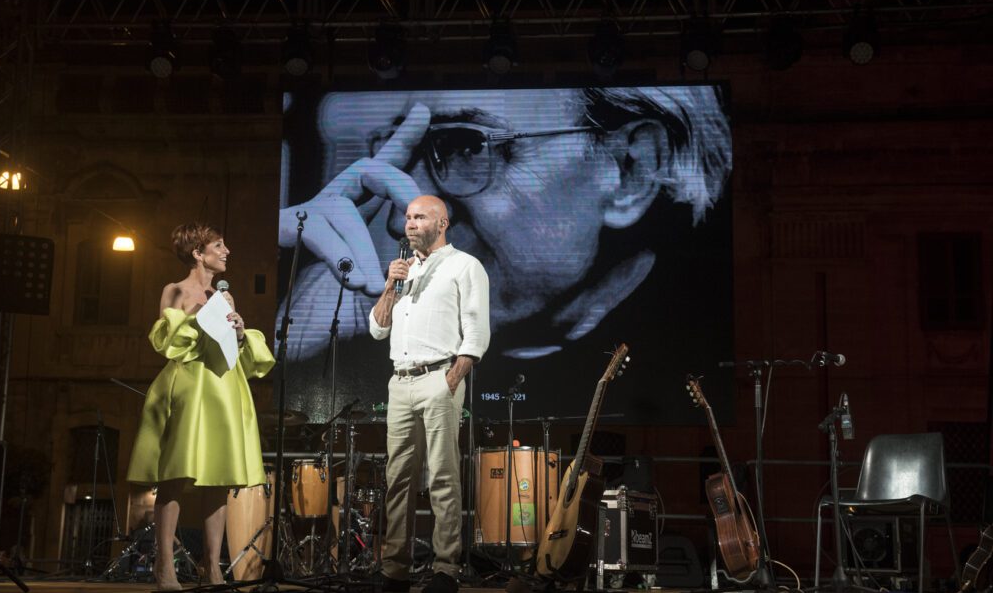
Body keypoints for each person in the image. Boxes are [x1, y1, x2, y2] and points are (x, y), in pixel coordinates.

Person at [276, 86, 733, 424]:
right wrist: (298, 333)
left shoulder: (692, 355)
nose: (401, 222)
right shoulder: (372, 332)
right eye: (401, 154)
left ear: (631, 168)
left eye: (463, 147)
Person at [126, 223, 275, 591]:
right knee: (175, 475)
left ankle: (212, 567)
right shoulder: (175, 290)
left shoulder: (225, 295)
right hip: (189, 384)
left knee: (219, 478)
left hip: (222, 387)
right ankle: (165, 568)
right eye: (219, 246)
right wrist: (199, 319)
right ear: (198, 252)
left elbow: (230, 349)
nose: (227, 252)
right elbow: (166, 341)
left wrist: (238, 332)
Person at [369, 194, 490, 593]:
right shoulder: (403, 273)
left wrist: (452, 379)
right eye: (407, 217)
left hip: (439, 377)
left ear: (442, 224)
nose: (410, 223)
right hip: (399, 382)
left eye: (419, 217)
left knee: (441, 475)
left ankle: (445, 568)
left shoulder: (464, 266)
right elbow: (377, 329)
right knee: (397, 478)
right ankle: (395, 569)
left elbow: (476, 332)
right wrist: (390, 285)